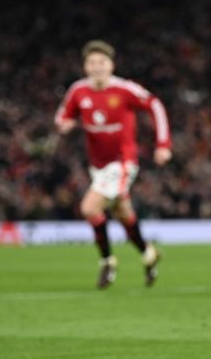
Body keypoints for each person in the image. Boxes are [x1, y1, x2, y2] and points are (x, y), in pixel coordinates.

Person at [54, 40, 172, 289]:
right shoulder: (78, 91)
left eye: (102, 62)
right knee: (123, 214)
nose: (97, 67)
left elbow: (155, 105)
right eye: (92, 63)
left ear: (111, 65)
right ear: (85, 66)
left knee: (89, 208)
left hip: (123, 162)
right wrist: (66, 124)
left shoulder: (124, 89)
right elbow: (62, 115)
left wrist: (163, 144)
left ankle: (107, 261)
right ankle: (148, 253)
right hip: (97, 165)